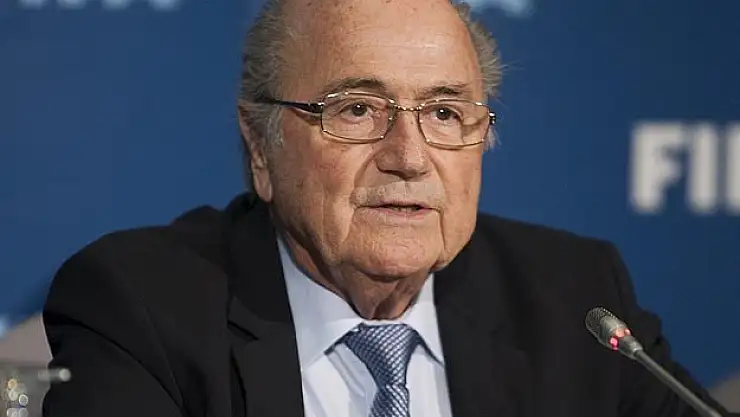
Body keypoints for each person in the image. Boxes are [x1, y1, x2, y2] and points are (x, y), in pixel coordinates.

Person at [41, 0, 735, 416]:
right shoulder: (142, 307)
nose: (409, 155)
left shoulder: (576, 301)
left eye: (444, 112)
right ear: (261, 146)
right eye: (356, 110)